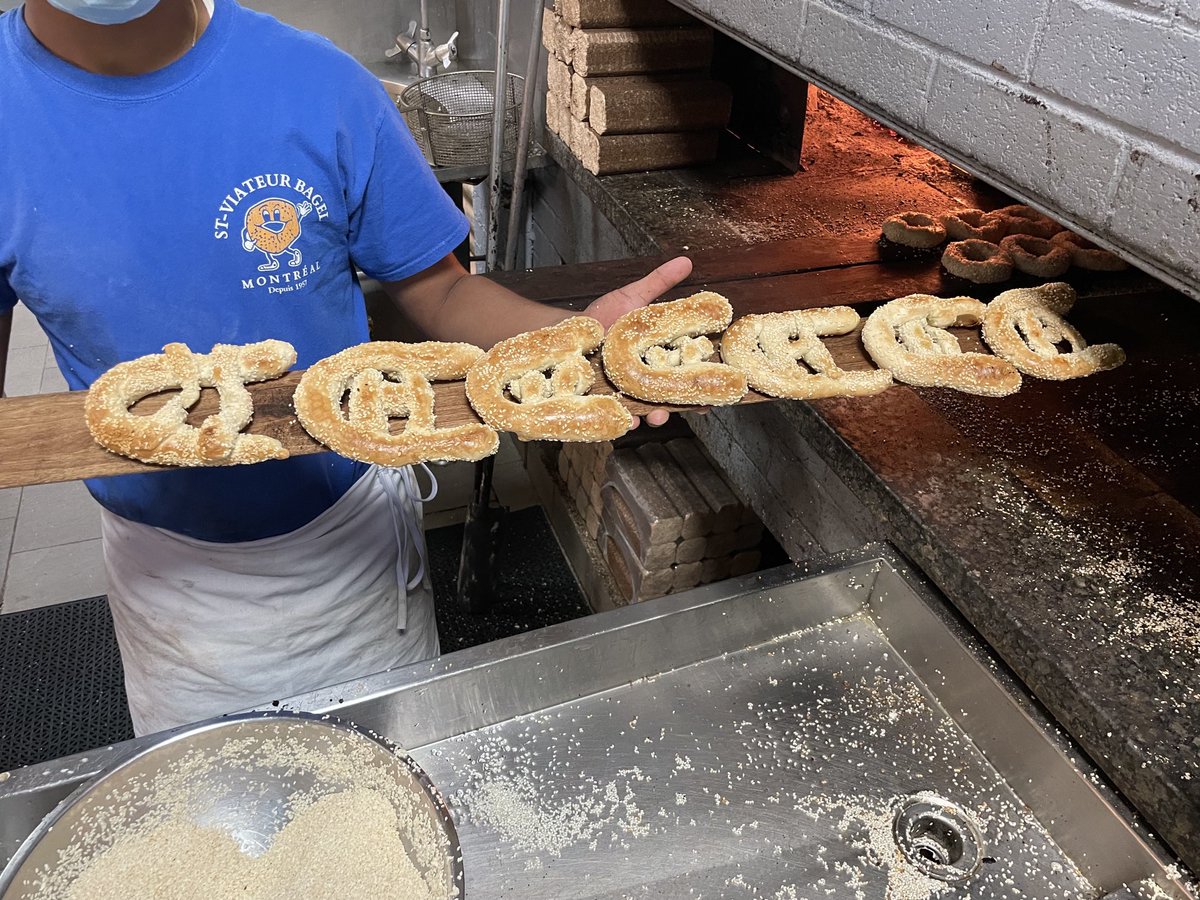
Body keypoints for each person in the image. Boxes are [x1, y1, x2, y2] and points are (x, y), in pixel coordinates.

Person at [0, 0, 691, 735]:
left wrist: (574, 337)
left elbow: (445, 293)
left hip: (348, 549)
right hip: (169, 586)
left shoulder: (317, 85)